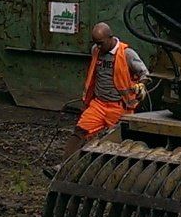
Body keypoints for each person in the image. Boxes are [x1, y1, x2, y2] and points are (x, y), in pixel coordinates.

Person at [59, 22, 150, 163]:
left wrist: (141, 85)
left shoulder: (127, 54)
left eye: (101, 43)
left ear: (110, 38)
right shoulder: (96, 50)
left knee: (118, 141)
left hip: (120, 106)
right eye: (96, 43)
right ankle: (63, 165)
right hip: (99, 104)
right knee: (80, 131)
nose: (98, 47)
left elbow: (145, 73)